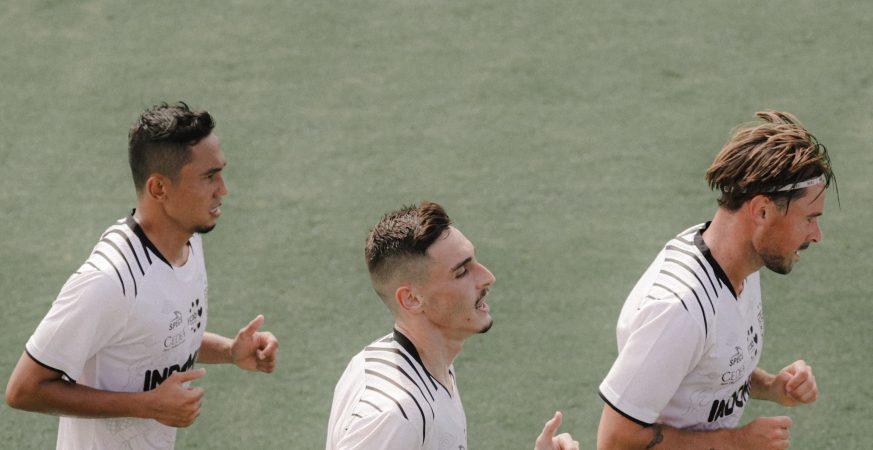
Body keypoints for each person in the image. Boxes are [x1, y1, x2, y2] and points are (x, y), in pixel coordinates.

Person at [5, 102, 280, 450]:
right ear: (159, 189)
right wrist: (148, 406)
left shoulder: (189, 243)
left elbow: (159, 335)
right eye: (209, 176)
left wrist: (230, 351)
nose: (222, 189)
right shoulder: (108, 282)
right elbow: (24, 390)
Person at [596, 111, 835, 450]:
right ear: (762, 211)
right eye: (809, 219)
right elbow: (614, 441)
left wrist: (772, 386)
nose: (817, 235)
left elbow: (708, 367)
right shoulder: (679, 311)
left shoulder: (740, 265)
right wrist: (736, 442)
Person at [326, 201, 579, 450]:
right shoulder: (396, 415)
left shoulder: (428, 368)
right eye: (461, 272)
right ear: (412, 299)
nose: (487, 277)